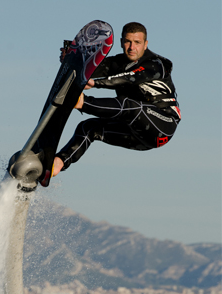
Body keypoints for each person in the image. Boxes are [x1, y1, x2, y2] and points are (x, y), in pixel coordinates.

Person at [51, 22, 181, 178]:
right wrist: (70, 59)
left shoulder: (155, 64)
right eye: (128, 42)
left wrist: (95, 84)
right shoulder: (117, 63)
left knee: (132, 106)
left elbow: (129, 78)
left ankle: (80, 102)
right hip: (136, 135)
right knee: (90, 127)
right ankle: (59, 162)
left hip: (162, 126)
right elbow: (89, 67)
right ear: (121, 42)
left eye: (137, 43)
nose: (132, 47)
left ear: (145, 44)